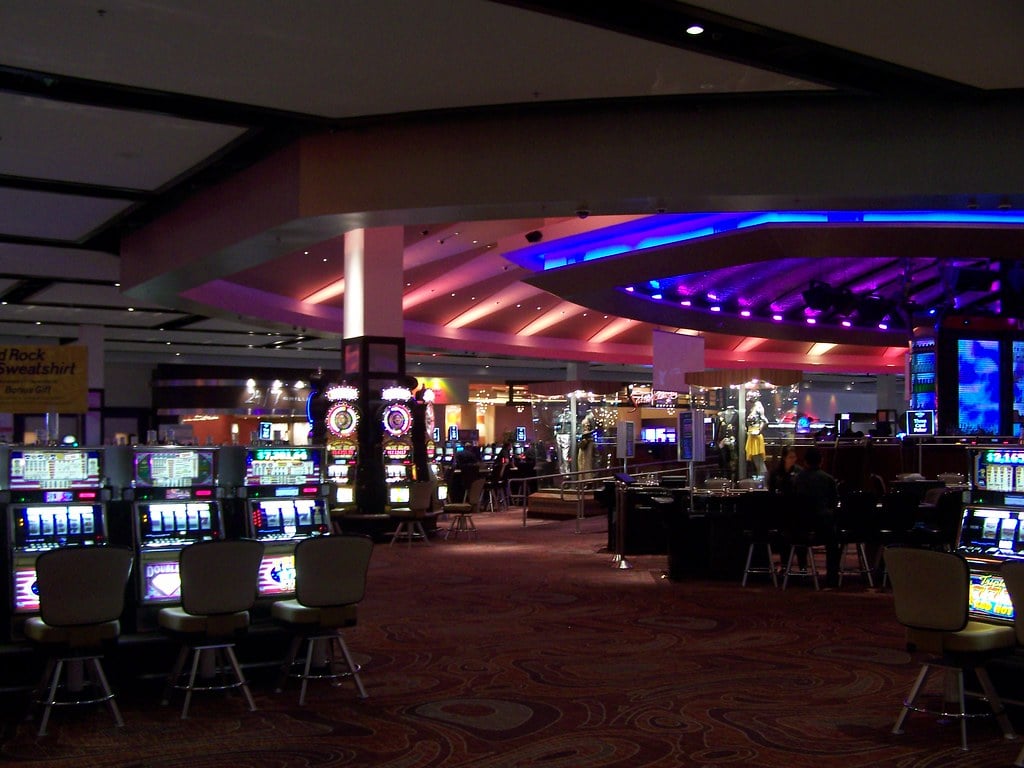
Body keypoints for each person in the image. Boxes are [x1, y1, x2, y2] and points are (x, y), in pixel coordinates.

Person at [793, 446, 840, 587]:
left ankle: (802, 570)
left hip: (800, 527)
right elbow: (834, 503)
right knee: (833, 542)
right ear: (821, 461)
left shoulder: (797, 479)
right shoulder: (828, 479)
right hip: (823, 526)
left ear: (805, 462)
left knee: (799, 537)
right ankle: (832, 577)